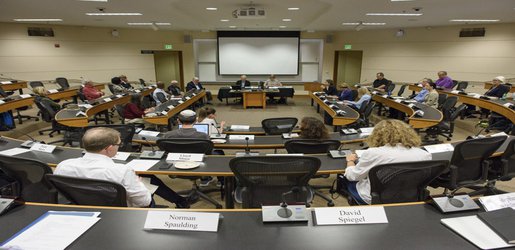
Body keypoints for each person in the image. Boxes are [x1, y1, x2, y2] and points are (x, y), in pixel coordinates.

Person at [55, 127, 189, 208]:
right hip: (120, 212)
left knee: (149, 178)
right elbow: (144, 202)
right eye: (118, 144)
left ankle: (180, 201)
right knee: (148, 182)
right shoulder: (121, 171)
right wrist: (140, 184)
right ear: (109, 148)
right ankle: (180, 202)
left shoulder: (63, 165)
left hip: (81, 207)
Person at [343, 119, 432, 204]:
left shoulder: (373, 153)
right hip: (411, 196)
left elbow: (353, 176)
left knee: (347, 178)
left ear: (377, 135)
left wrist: (350, 161)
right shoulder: (424, 154)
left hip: (375, 198)